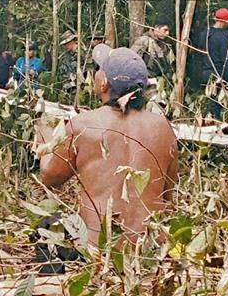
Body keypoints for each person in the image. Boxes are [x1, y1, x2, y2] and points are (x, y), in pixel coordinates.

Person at [33, 45, 178, 247]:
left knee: (45, 226)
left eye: (99, 69)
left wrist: (45, 136)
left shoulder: (82, 125)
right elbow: (167, 196)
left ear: (103, 83)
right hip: (150, 249)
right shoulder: (163, 128)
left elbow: (49, 177)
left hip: (99, 251)